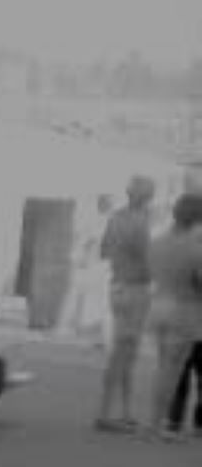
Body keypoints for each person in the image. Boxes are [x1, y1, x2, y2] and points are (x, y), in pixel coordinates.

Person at [94, 176, 156, 431]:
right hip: (135, 289)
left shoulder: (116, 217)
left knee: (126, 352)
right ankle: (106, 413)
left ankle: (124, 410)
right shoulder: (141, 222)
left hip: (117, 284)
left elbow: (103, 250)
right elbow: (146, 258)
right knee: (123, 354)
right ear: (148, 196)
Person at [144, 193, 202, 442]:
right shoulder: (195, 248)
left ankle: (155, 422)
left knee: (162, 368)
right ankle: (156, 426)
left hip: (158, 303)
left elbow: (152, 272)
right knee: (172, 370)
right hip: (184, 308)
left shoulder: (156, 242)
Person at [67, 194, 115, 344]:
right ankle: (92, 331)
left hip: (100, 265)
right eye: (106, 203)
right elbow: (83, 242)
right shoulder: (99, 222)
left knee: (96, 301)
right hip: (95, 265)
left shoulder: (109, 222)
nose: (107, 206)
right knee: (90, 300)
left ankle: (98, 333)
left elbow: (83, 243)